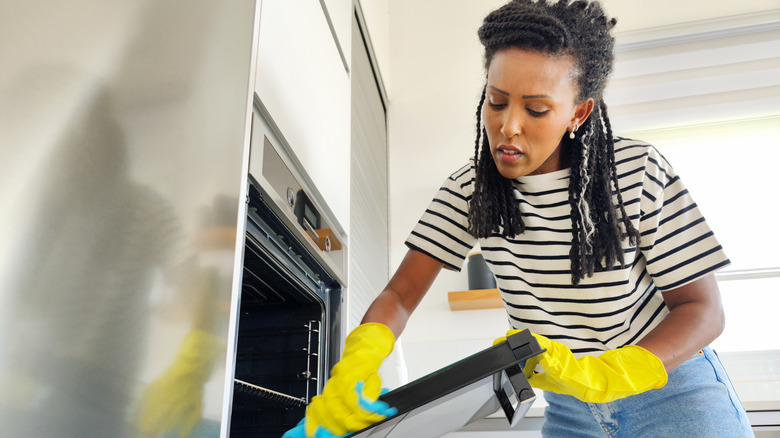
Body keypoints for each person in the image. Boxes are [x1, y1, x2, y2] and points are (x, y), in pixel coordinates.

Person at [285, 0, 754, 436]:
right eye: (496, 100)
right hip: (571, 407)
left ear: (579, 112)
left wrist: (615, 373)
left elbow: (703, 309)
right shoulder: (470, 189)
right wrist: (356, 365)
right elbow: (401, 294)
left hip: (673, 393)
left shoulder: (636, 172)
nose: (508, 125)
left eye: (536, 109)